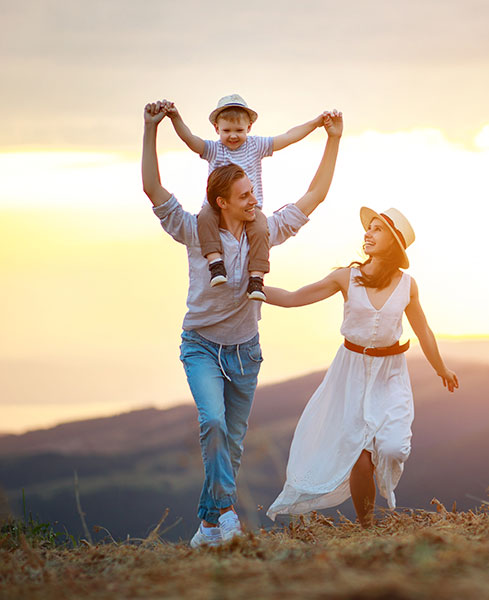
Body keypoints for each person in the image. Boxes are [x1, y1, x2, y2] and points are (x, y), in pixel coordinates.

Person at [141, 100, 343, 546]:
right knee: (212, 422)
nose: (256, 200)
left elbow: (315, 195)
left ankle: (208, 525)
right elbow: (153, 188)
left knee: (231, 444)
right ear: (222, 202)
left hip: (245, 352)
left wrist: (333, 139)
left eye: (254, 193)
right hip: (201, 347)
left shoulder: (264, 231)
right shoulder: (195, 231)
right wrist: (152, 129)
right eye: (247, 196)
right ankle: (227, 514)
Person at [265, 207, 458, 527]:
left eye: (378, 229)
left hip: (390, 373)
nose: (368, 233)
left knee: (394, 448)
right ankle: (366, 525)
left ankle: (378, 492)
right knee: (360, 456)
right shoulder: (346, 277)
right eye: (369, 228)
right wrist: (251, 288)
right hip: (351, 372)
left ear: (394, 242)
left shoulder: (407, 285)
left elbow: (423, 330)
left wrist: (441, 369)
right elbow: (293, 298)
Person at [161, 94, 329, 301]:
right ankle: (215, 263)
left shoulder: (256, 146)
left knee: (260, 230)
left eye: (239, 130)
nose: (233, 136)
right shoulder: (214, 149)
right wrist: (175, 118)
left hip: (250, 208)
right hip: (215, 205)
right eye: (226, 131)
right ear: (216, 128)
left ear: (249, 128)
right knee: (204, 219)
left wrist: (316, 123)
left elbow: (289, 136)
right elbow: (190, 139)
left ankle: (256, 278)